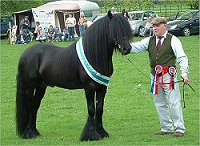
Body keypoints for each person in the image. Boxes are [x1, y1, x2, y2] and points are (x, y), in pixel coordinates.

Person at [130, 17, 189, 137]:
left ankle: (179, 128)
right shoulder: (149, 40)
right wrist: (123, 45)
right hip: (155, 76)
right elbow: (136, 47)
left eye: (157, 26)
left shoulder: (173, 40)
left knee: (173, 102)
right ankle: (166, 127)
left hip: (169, 76)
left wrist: (184, 73)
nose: (154, 28)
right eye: (153, 26)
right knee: (159, 102)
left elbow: (182, 57)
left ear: (164, 26)